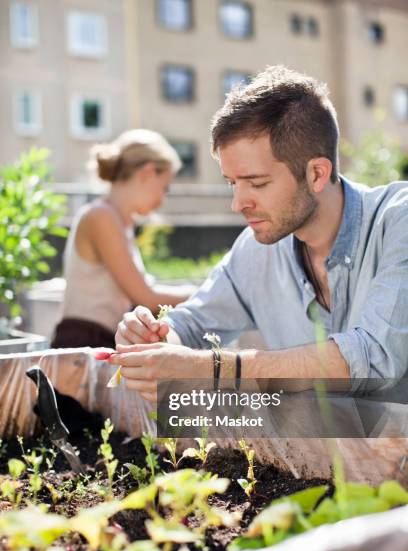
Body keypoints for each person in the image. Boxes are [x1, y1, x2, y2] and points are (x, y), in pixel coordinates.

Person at [108, 65, 408, 402]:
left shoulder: (398, 221)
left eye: (257, 183)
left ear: (317, 173)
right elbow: (192, 323)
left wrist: (212, 369)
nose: (237, 203)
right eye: (232, 183)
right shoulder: (256, 250)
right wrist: (155, 337)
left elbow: (375, 357)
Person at [51, 129, 194, 349]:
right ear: (147, 173)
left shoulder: (120, 222)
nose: (163, 199)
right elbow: (145, 297)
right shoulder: (102, 217)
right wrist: (205, 293)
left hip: (99, 343)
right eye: (164, 187)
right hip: (83, 347)